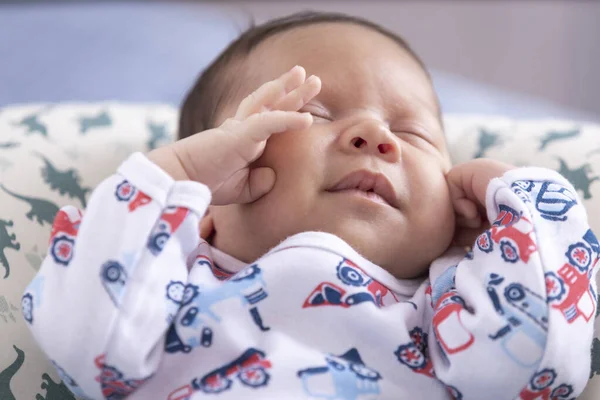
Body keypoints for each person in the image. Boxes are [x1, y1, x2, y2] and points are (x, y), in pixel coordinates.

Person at [23, 11, 598, 400]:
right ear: (210, 207)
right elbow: (81, 338)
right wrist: (179, 175)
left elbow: (536, 366)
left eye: (414, 133)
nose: (376, 135)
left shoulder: (450, 307)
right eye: (316, 112)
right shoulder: (171, 288)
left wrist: (518, 201)